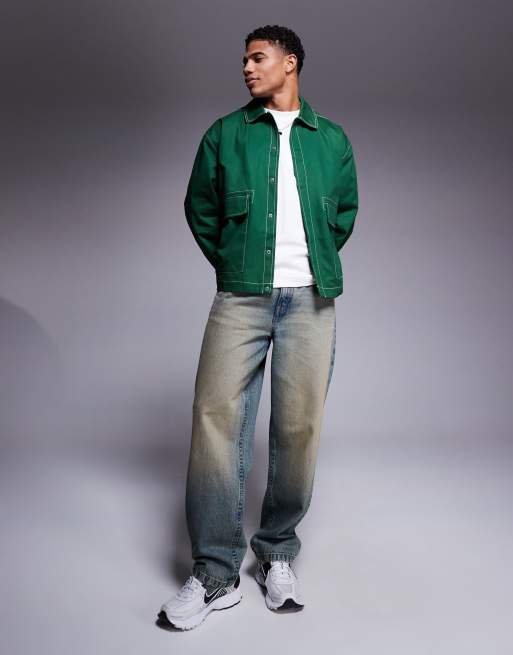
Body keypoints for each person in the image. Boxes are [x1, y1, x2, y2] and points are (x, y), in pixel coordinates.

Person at [157, 24, 359, 631]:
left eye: (258, 57)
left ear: (290, 63)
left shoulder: (332, 139)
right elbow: (200, 207)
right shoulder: (225, 134)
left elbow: (343, 215)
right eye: (244, 60)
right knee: (214, 422)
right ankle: (215, 572)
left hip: (312, 301)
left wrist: (310, 263)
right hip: (240, 298)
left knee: (299, 429)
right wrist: (234, 264)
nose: (246, 68)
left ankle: (277, 553)